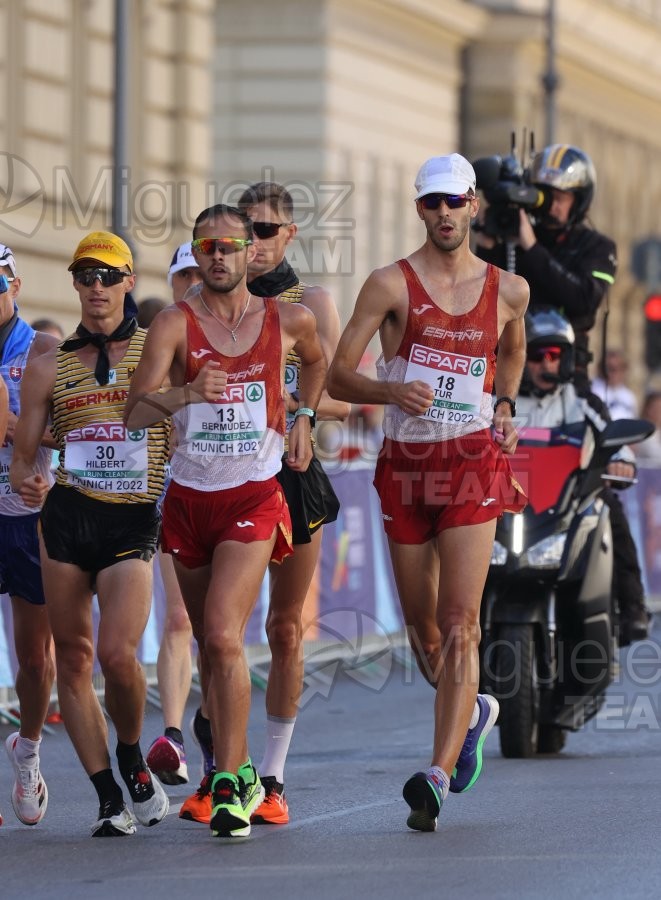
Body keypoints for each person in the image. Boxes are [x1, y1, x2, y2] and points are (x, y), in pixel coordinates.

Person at [327, 153, 529, 832]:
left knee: (458, 621)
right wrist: (388, 389)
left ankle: (437, 770)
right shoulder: (389, 284)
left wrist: (502, 403)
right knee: (421, 632)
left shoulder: (507, 289)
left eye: (453, 201)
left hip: (471, 465)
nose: (442, 213)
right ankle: (468, 709)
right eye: (430, 203)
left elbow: (513, 349)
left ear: (473, 204)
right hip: (407, 469)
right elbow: (334, 376)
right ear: (419, 209)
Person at [123, 203, 327, 839]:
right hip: (188, 497)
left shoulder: (288, 318)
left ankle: (238, 779)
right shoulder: (172, 325)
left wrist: (303, 419)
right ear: (197, 252)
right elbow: (133, 413)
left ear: (250, 254)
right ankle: (221, 772)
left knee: (220, 633)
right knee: (212, 650)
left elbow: (319, 363)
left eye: (230, 246)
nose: (218, 256)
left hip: (252, 495)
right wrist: (187, 393)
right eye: (206, 246)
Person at [10, 230, 171, 837]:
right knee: (74, 659)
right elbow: (25, 455)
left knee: (117, 656)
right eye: (85, 275)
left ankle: (129, 750)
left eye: (108, 275)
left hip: (131, 515)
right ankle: (107, 795)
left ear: (129, 280)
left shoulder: (156, 352)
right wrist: (29, 481)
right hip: (68, 516)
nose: (96, 286)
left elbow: (190, 411)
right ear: (75, 282)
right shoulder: (47, 366)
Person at [516, 308, 651, 645]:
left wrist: (621, 462)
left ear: (567, 359)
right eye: (536, 355)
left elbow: (612, 440)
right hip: (509, 504)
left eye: (554, 355)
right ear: (520, 356)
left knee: (611, 511)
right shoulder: (499, 400)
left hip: (569, 500)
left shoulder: (583, 401)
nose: (545, 364)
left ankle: (632, 606)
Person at [475, 143, 617, 392]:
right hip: (511, 375)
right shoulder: (514, 237)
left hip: (569, 378)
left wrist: (531, 247)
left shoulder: (598, 247)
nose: (553, 206)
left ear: (579, 200)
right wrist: (488, 242)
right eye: (547, 197)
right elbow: (484, 298)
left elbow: (584, 299)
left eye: (561, 198)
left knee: (599, 429)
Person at [1, 243, 58, 828]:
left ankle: (29, 752)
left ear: (14, 286)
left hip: (26, 514)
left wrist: (18, 432)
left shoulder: (42, 351)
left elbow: (81, 427)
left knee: (34, 659)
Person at [591, 348, 638, 420]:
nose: (615, 372)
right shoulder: (593, 390)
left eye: (619, 367)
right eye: (610, 368)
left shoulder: (629, 396)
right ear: (601, 368)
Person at [635, 391, 661, 462]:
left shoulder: (658, 431)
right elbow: (653, 454)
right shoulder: (641, 430)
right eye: (656, 407)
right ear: (647, 408)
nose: (658, 411)